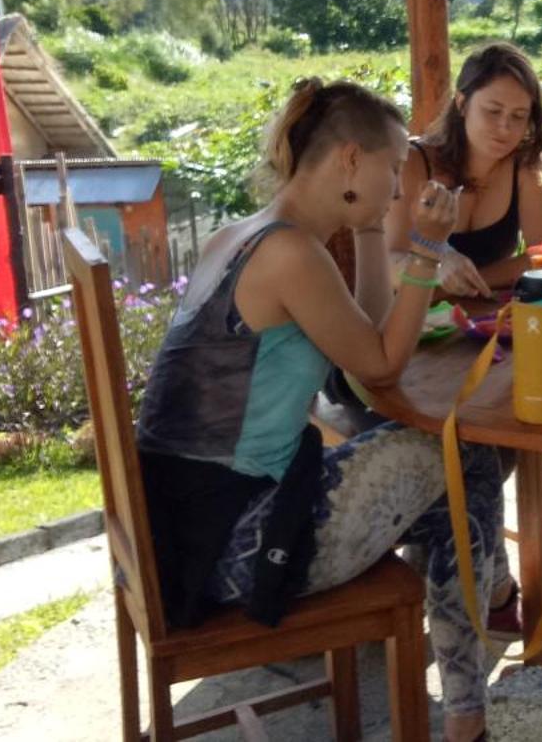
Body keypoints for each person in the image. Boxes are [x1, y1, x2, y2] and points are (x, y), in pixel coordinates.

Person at [134, 79, 503, 742]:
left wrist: (369, 234)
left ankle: (466, 694)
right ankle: (467, 705)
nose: (398, 188)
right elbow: (382, 365)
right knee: (466, 454)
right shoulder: (290, 254)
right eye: (394, 169)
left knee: (448, 480)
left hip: (182, 528)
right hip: (235, 543)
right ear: (352, 161)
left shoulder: (243, 235)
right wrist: (425, 248)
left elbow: (365, 332)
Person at [387, 41, 542, 295]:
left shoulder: (526, 166)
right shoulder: (413, 162)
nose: (505, 127)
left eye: (518, 116)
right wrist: (436, 269)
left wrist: (467, 282)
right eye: (493, 111)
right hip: (418, 322)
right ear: (461, 103)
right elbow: (388, 261)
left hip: (490, 318)